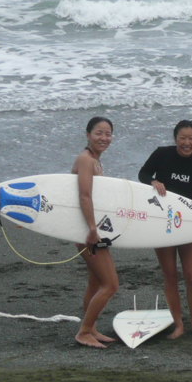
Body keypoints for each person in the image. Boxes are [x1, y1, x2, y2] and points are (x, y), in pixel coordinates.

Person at [138, 120, 192, 339]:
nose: (187, 143)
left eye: (191, 138)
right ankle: (178, 324)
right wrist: (153, 182)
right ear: (175, 138)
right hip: (161, 221)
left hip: (186, 221)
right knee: (170, 275)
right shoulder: (162, 154)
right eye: (182, 138)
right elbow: (143, 174)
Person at [72, 116, 119, 348]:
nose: (104, 138)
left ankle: (91, 328)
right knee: (110, 284)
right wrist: (92, 228)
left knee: (96, 281)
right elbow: (84, 196)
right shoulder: (85, 160)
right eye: (99, 133)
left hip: (93, 229)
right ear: (88, 134)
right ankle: (84, 332)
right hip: (88, 231)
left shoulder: (95, 161)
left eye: (108, 134)